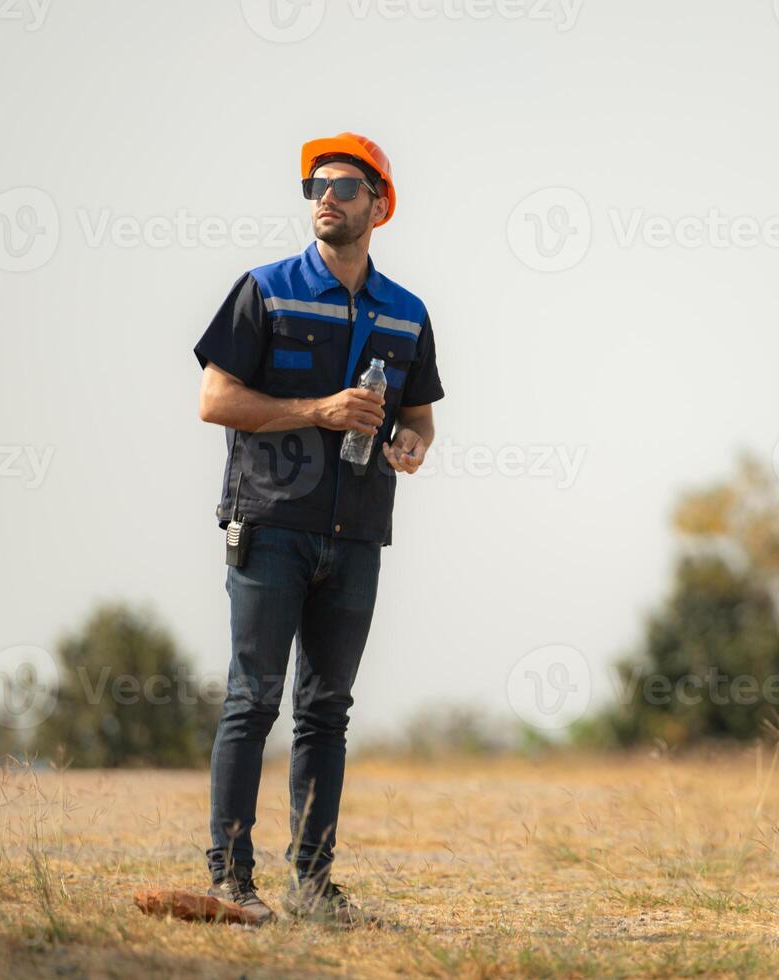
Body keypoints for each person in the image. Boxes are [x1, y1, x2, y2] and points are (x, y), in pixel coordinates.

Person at [192, 132, 443, 927]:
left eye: (341, 185)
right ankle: (230, 878)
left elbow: (421, 420)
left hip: (359, 533)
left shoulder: (408, 312)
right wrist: (318, 411)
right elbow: (215, 400)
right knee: (252, 700)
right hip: (269, 524)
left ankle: (312, 883)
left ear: (379, 204)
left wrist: (411, 444)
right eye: (313, 186)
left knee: (326, 711)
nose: (324, 196)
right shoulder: (263, 291)